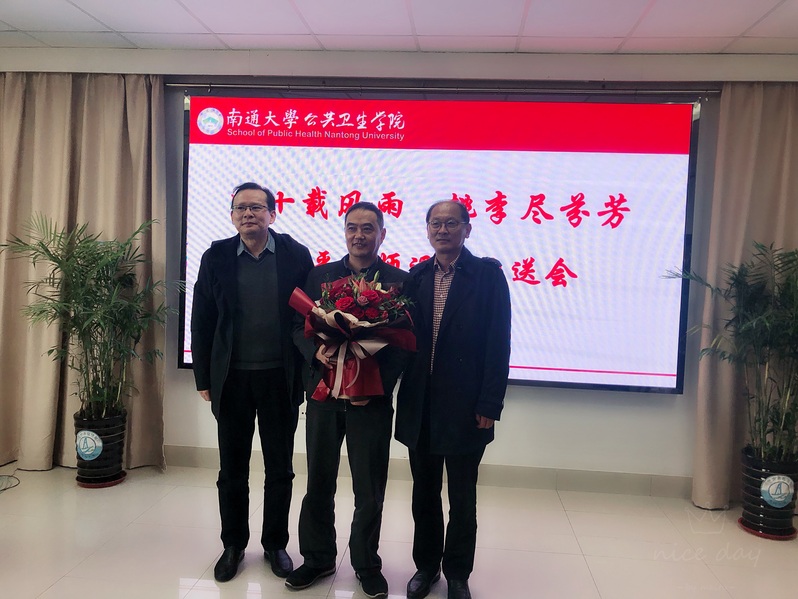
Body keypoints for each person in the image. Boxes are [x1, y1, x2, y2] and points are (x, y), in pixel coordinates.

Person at [286, 202, 410, 599]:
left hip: (370, 402)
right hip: (324, 395)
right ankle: (318, 557)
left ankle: (366, 564)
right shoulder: (320, 276)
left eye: (368, 228)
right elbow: (298, 326)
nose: (359, 235)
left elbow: (405, 344)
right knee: (318, 481)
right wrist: (317, 353)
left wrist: (375, 383)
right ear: (344, 232)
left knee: (369, 487)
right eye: (352, 227)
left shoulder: (399, 282)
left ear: (382, 234)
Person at [191, 182, 313, 583]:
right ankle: (233, 544)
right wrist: (204, 376)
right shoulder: (216, 256)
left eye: (257, 207)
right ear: (232, 216)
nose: (248, 213)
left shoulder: (295, 254)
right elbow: (203, 318)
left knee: (280, 467)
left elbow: (309, 319)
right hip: (232, 380)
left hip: (280, 377)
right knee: (232, 469)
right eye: (240, 208)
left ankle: (275, 544)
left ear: (272, 214)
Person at [395, 200, 511, 599]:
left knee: (462, 497)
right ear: (427, 229)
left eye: (451, 223)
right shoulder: (416, 277)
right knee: (424, 493)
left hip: (466, 408)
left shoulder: (488, 277)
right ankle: (426, 567)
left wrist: (489, 404)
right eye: (435, 223)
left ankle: (458, 573)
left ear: (467, 229)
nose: (442, 230)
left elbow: (498, 344)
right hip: (420, 406)